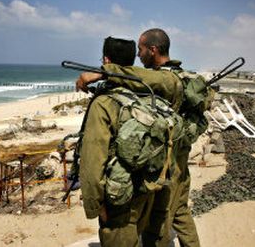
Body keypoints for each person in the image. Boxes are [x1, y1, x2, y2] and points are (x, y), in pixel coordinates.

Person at [77, 28, 207, 247]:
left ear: (153, 50)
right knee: (176, 215)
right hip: (162, 165)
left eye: (142, 49)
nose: (139, 55)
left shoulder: (165, 79)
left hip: (164, 168)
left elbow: (93, 159)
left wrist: (95, 205)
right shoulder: (148, 89)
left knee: (160, 228)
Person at [79, 36, 159, 246]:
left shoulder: (104, 104)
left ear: (106, 60)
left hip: (118, 199)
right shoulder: (146, 94)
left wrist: (96, 207)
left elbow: (92, 163)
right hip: (144, 190)